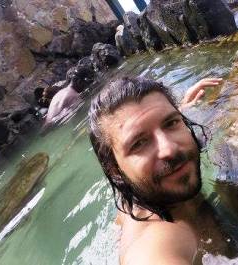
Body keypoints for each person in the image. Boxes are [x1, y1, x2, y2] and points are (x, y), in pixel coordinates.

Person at [88, 77, 230, 264]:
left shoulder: (142, 180)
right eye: (139, 143)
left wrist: (183, 109)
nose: (169, 149)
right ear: (115, 171)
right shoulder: (154, 247)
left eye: (170, 123)